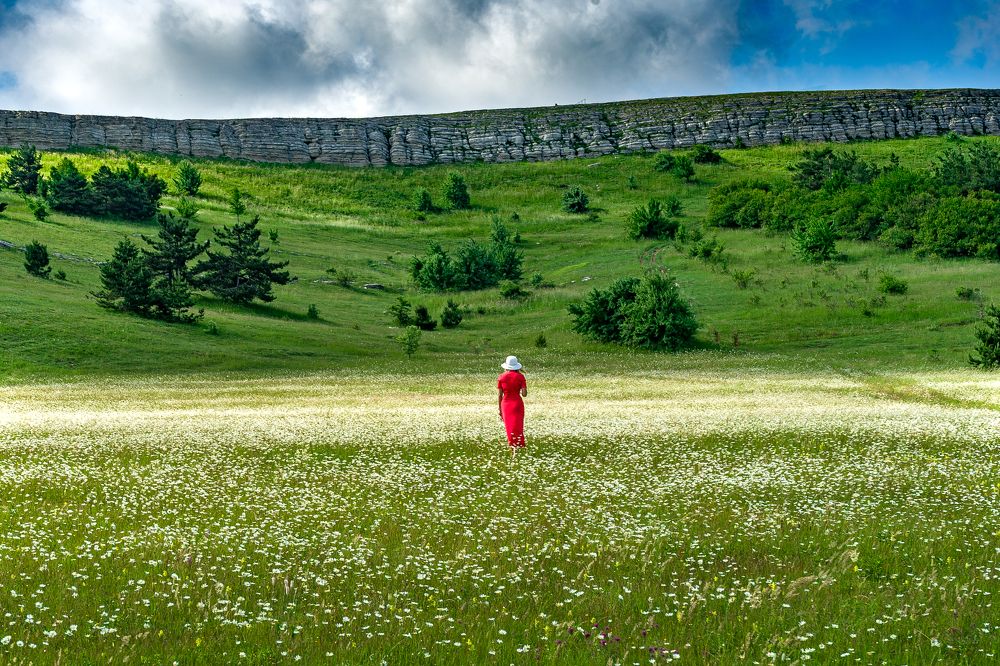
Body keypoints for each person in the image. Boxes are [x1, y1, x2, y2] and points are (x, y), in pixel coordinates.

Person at [497, 355, 527, 457]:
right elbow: (524, 394)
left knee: (509, 427)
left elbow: (500, 395)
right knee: (518, 426)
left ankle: (512, 449)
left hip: (506, 404)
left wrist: (500, 409)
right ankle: (516, 449)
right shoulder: (521, 377)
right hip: (517, 404)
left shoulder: (501, 377)